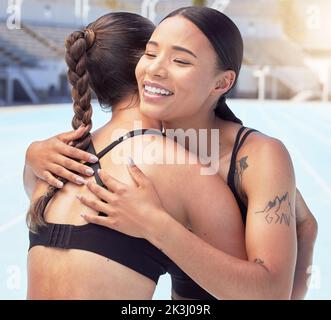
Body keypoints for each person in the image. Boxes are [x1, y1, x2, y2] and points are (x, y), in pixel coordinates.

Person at [24, 7, 317, 299]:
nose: (155, 69)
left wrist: (155, 225)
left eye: (180, 60)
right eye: (150, 54)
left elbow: (274, 291)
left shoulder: (258, 157)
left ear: (222, 82)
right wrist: (33, 155)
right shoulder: (150, 152)